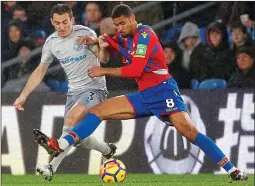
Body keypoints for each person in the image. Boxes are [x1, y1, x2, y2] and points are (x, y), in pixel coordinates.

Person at [34, 4, 248, 181]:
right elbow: (110, 39)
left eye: (123, 23)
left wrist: (103, 70)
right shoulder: (123, 36)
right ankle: (58, 145)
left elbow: (136, 69)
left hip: (164, 93)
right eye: (116, 24)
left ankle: (232, 169)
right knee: (97, 111)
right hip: (144, 96)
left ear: (133, 18)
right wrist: (94, 40)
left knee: (190, 133)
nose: (120, 28)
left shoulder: (145, 34)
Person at [13, 4, 117, 181]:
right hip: (73, 93)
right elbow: (40, 71)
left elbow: (104, 59)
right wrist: (23, 96)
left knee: (71, 120)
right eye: (57, 23)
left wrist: (101, 45)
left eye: (65, 22)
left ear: (72, 20)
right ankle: (107, 150)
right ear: (52, 22)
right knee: (76, 137)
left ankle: (51, 166)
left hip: (95, 89)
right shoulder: (52, 43)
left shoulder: (85, 33)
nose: (62, 27)